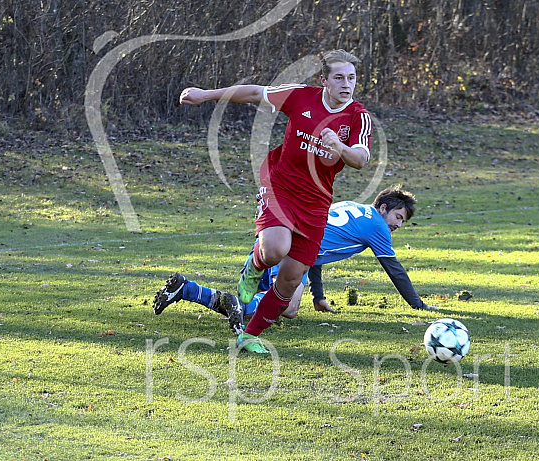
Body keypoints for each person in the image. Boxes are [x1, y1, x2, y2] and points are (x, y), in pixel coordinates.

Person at [177, 50, 372, 353]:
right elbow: (255, 92)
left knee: (290, 281)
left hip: (316, 202)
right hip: (280, 185)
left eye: (351, 78)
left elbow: (361, 158)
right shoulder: (301, 96)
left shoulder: (358, 116)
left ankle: (249, 335)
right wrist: (206, 95)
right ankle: (254, 266)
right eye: (339, 77)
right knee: (275, 249)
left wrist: (340, 147)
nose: (346, 84)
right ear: (324, 80)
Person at [153, 186, 436, 335]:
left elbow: (318, 249)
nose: (398, 225)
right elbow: (395, 270)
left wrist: (319, 295)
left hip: (271, 241)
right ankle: (238, 301)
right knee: (284, 308)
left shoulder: (354, 208)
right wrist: (418, 305)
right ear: (383, 208)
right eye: (398, 217)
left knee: (249, 304)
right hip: (290, 251)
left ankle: (186, 289)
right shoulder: (377, 226)